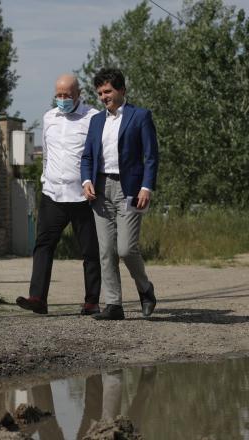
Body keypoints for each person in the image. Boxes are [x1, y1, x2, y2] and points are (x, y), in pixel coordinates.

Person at [16, 74, 101, 315]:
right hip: (53, 193)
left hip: (83, 196)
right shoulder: (49, 118)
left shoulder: (93, 118)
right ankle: (37, 298)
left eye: (67, 95)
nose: (62, 99)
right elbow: (47, 153)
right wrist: (45, 179)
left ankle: (92, 301)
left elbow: (99, 154)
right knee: (43, 245)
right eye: (59, 95)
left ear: (78, 94)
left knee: (90, 250)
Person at [81, 67, 159, 321]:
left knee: (125, 249)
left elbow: (151, 156)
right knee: (106, 250)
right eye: (100, 93)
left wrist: (146, 187)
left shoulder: (140, 116)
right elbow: (87, 156)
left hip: (131, 189)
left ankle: (145, 289)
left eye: (108, 91)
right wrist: (86, 180)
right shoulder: (96, 121)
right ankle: (114, 304)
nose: (104, 97)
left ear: (122, 90)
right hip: (100, 190)